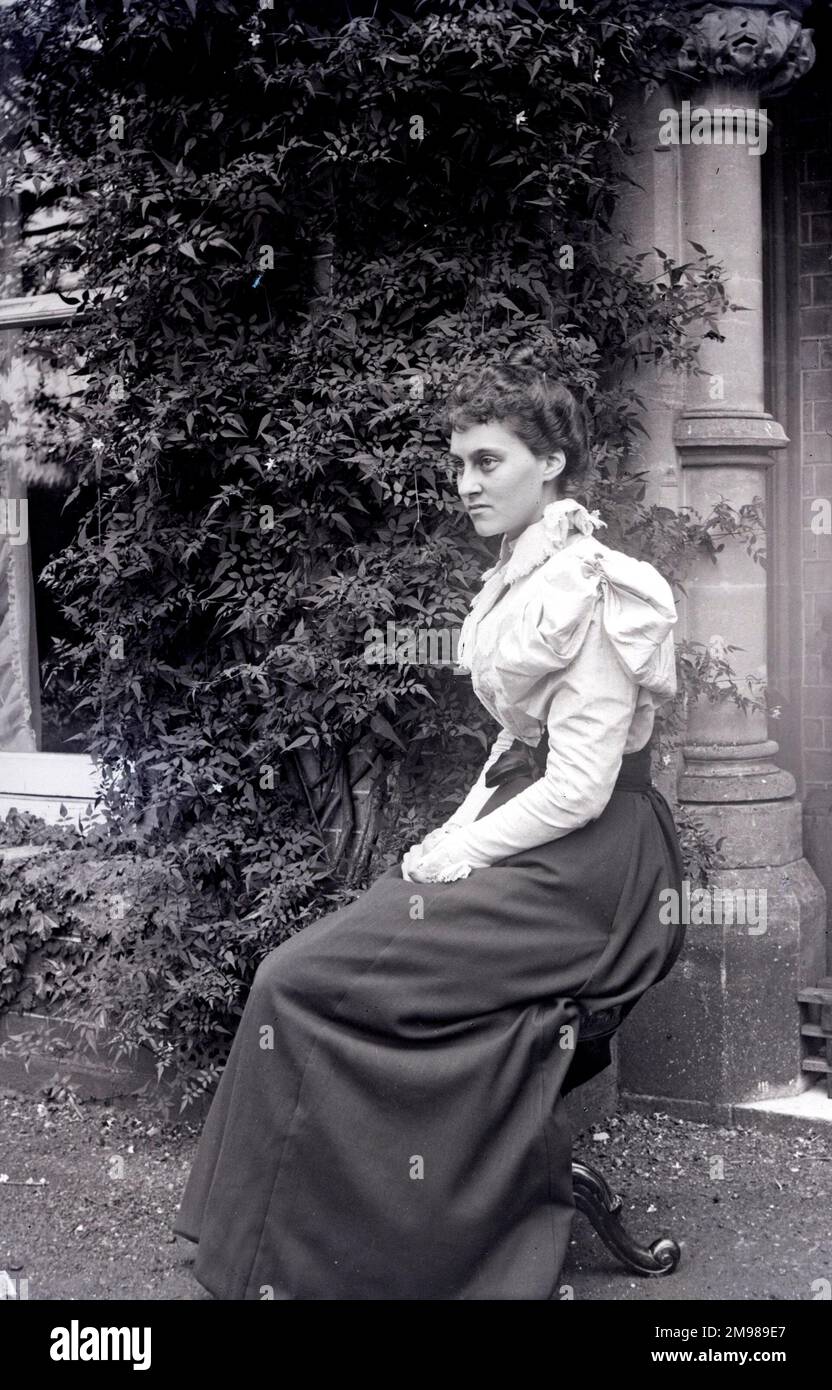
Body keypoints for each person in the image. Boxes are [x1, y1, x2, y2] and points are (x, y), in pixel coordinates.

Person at [171, 344, 686, 1300]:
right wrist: (447, 835)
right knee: (317, 967)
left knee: (296, 976)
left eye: (486, 461)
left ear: (553, 463)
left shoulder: (600, 587)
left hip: (596, 875)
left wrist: (459, 851)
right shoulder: (523, 575)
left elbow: (577, 786)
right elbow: (513, 749)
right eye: (458, 464)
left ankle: (340, 1248)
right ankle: (276, 1242)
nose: (465, 483)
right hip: (541, 842)